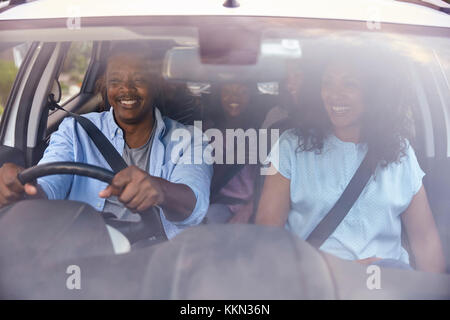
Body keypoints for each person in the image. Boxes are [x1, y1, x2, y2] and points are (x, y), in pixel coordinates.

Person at [255, 46, 446, 272]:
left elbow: (425, 242)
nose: (335, 94)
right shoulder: (291, 146)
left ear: (373, 92)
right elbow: (267, 239)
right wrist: (340, 268)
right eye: (327, 82)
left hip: (388, 288)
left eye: (350, 84)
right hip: (318, 284)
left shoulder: (400, 152)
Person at [0, 42, 212, 240]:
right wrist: (24, 192)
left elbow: (195, 204)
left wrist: (160, 190)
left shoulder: (189, 140)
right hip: (82, 251)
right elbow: (49, 186)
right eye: (116, 81)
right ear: (105, 86)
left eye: (138, 80)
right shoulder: (75, 130)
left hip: (153, 258)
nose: (126, 89)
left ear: (155, 85)